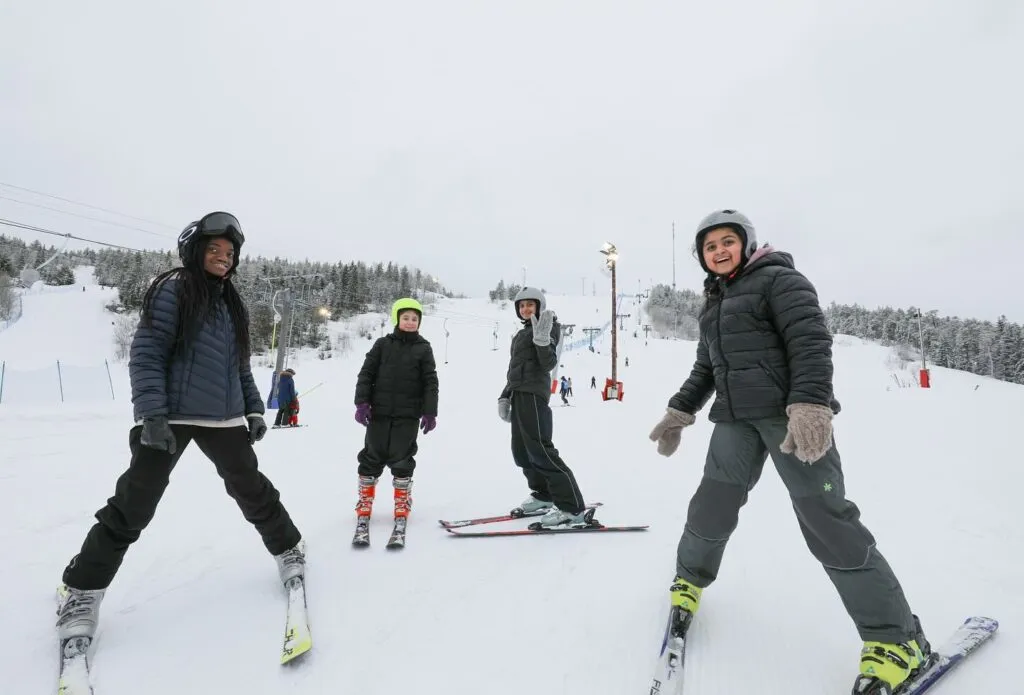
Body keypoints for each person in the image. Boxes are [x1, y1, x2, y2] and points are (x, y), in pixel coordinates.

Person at [648, 210, 930, 693]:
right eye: (709, 245)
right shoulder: (714, 304)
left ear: (746, 243)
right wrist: (679, 411)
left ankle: (897, 639)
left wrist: (811, 405)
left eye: (726, 241)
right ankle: (689, 579)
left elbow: (811, 342)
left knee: (826, 519)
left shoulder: (779, 279)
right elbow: (706, 368)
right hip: (734, 422)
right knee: (712, 506)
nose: (718, 250)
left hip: (790, 420)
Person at [55, 212, 305, 646]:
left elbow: (238, 365)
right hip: (171, 417)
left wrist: (254, 409)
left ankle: (289, 549)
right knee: (134, 503)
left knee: (251, 488)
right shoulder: (173, 290)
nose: (223, 258)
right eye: (214, 250)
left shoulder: (231, 302)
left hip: (224, 417)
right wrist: (150, 415)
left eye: (229, 253)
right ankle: (81, 590)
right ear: (193, 249)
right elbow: (147, 353)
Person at [498, 287, 589, 528]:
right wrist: (505, 396)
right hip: (519, 394)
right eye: (521, 305)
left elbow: (548, 362)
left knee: (541, 450)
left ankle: (572, 507)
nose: (526, 309)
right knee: (521, 452)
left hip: (534, 395)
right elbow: (514, 370)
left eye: (531, 304)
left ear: (540, 306)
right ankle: (543, 494)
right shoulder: (520, 335)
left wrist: (541, 341)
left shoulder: (549, 326)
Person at [353, 297, 439, 520]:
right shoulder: (382, 345)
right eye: (405, 318)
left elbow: (430, 381)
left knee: (403, 458)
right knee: (372, 455)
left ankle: (402, 501)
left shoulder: (423, 348)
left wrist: (430, 411)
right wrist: (362, 403)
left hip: (408, 415)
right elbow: (366, 374)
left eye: (414, 319)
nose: (410, 322)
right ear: (396, 319)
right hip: (378, 413)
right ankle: (365, 499)